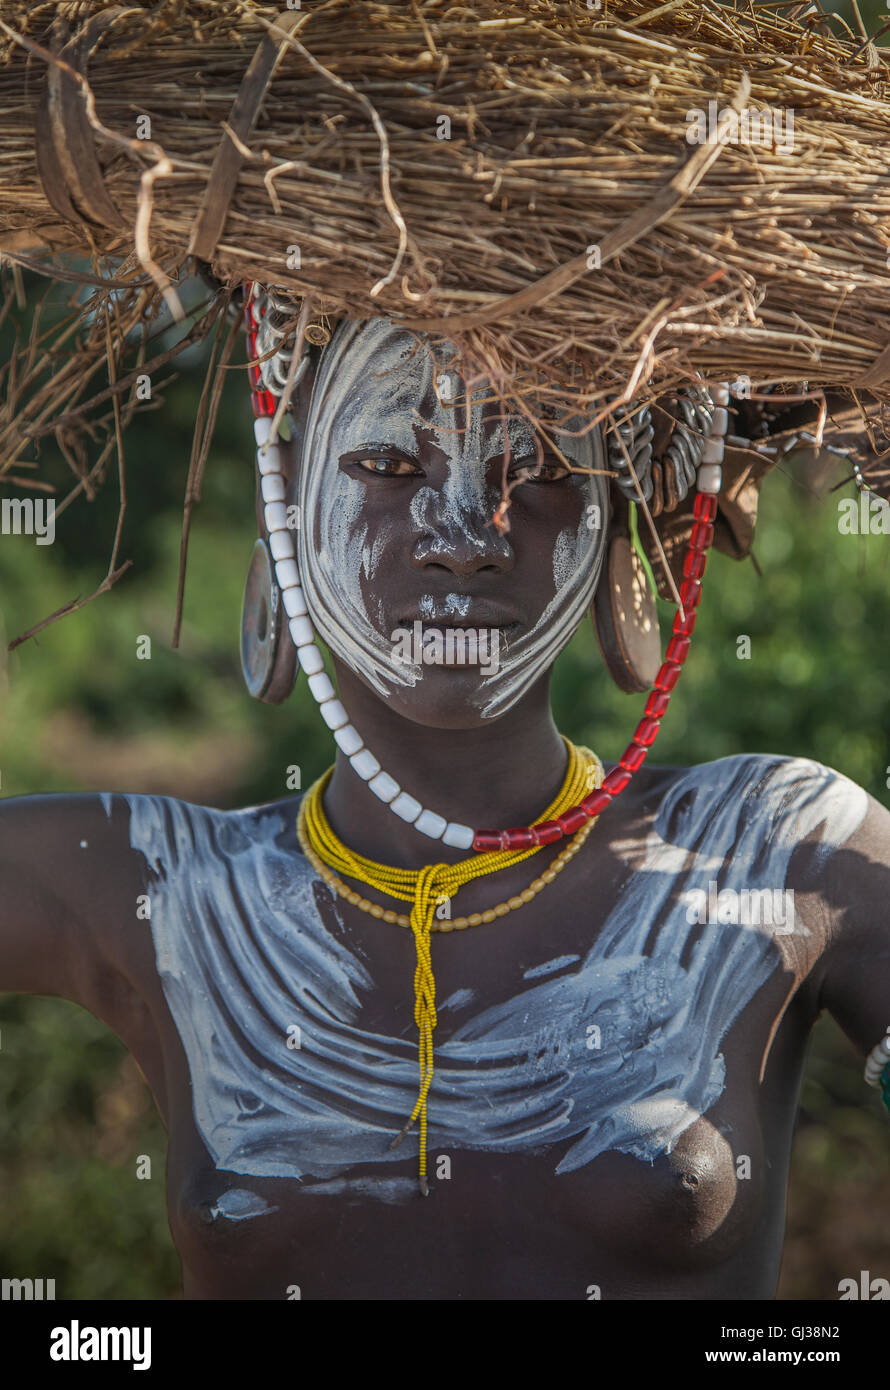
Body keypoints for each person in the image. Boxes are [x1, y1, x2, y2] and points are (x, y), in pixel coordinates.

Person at [1, 284, 888, 1301]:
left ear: (609, 519)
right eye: (386, 464)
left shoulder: (776, 848)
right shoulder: (154, 888)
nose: (465, 533)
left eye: (544, 471)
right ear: (279, 503)